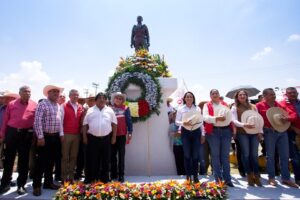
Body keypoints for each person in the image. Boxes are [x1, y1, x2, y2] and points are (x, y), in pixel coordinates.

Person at [256, 88, 298, 188]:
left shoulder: (279, 104)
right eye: (271, 94)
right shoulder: (259, 106)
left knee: (285, 155)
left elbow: (293, 114)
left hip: (282, 131)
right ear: (265, 96)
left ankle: (286, 178)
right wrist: (259, 132)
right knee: (270, 156)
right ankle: (271, 177)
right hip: (269, 131)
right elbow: (257, 120)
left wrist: (287, 118)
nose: (274, 96)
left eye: (274, 94)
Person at [0, 86, 37, 195]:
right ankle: (5, 184)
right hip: (12, 133)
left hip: (27, 134)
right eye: (25, 91)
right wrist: (3, 135)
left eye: (29, 92)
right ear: (20, 93)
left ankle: (21, 185)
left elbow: (36, 122)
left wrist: (35, 136)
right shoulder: (11, 104)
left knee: (24, 161)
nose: (28, 93)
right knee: (9, 160)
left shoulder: (35, 105)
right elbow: (6, 120)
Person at [32, 85, 64, 196]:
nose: (56, 93)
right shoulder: (43, 104)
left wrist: (61, 134)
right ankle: (36, 186)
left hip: (55, 137)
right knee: (40, 162)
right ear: (48, 93)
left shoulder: (58, 106)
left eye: (57, 92)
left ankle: (48, 183)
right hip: (45, 137)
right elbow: (37, 121)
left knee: (51, 162)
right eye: (54, 91)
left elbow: (59, 122)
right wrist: (40, 137)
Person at [82, 92, 117, 183]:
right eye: (99, 98)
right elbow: (85, 125)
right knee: (93, 159)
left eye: (103, 98)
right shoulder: (90, 110)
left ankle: (104, 178)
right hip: (92, 139)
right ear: (96, 100)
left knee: (106, 159)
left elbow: (114, 124)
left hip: (106, 138)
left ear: (106, 100)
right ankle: (91, 178)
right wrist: (85, 137)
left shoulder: (110, 110)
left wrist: (113, 137)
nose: (101, 100)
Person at [231, 90, 263, 186]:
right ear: (237, 97)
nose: (242, 96)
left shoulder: (253, 106)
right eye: (240, 95)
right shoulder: (234, 107)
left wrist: (260, 132)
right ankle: (249, 174)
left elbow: (259, 119)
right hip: (242, 133)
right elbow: (234, 121)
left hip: (254, 133)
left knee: (254, 155)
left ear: (246, 96)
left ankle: (256, 175)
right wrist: (244, 124)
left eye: (244, 94)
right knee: (246, 154)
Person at [203, 89, 234, 187]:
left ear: (219, 95)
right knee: (215, 156)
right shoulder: (207, 105)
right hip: (213, 132)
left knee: (225, 156)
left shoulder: (225, 104)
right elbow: (205, 117)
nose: (215, 95)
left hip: (226, 131)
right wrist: (216, 118)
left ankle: (228, 179)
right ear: (210, 96)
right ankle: (218, 179)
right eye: (213, 93)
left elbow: (230, 118)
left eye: (216, 93)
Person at [175, 91, 205, 183]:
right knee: (187, 155)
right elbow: (176, 121)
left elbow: (201, 122)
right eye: (187, 97)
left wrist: (203, 134)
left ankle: (195, 176)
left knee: (195, 156)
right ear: (184, 98)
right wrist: (183, 123)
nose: (189, 98)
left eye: (190, 97)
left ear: (193, 98)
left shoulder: (197, 108)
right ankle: (188, 176)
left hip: (196, 132)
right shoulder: (180, 109)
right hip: (185, 133)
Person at [60, 89, 83, 183]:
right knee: (65, 157)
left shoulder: (80, 106)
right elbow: (60, 121)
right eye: (73, 95)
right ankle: (64, 177)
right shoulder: (63, 106)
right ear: (69, 96)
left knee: (74, 157)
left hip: (76, 135)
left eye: (77, 95)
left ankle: (71, 177)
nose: (76, 96)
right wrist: (61, 134)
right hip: (66, 134)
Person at [110, 92, 133, 182]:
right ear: (114, 99)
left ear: (123, 100)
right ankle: (113, 175)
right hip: (112, 136)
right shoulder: (109, 108)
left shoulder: (126, 108)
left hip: (122, 135)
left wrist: (130, 132)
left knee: (121, 156)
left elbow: (129, 121)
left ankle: (121, 175)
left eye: (120, 98)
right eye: (117, 98)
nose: (118, 100)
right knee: (112, 156)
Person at [280, 87, 300, 186]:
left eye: (294, 92)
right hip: (291, 132)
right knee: (295, 157)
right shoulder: (282, 104)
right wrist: (293, 127)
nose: (292, 94)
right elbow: (282, 119)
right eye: (290, 93)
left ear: (297, 93)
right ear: (286, 94)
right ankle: (298, 178)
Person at [75, 94, 95, 180]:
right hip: (85, 135)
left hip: (94, 136)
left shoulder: (98, 110)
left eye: (93, 99)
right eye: (89, 100)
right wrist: (84, 136)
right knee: (82, 156)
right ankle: (80, 173)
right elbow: (82, 124)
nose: (91, 101)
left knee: (93, 156)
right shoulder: (85, 111)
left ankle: (92, 174)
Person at [168, 111, 185, 175]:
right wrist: (176, 133)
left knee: (185, 161)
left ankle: (186, 175)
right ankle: (179, 174)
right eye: (175, 116)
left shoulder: (184, 125)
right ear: (173, 118)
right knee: (178, 161)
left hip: (184, 146)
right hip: (176, 146)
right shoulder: (172, 125)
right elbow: (169, 134)